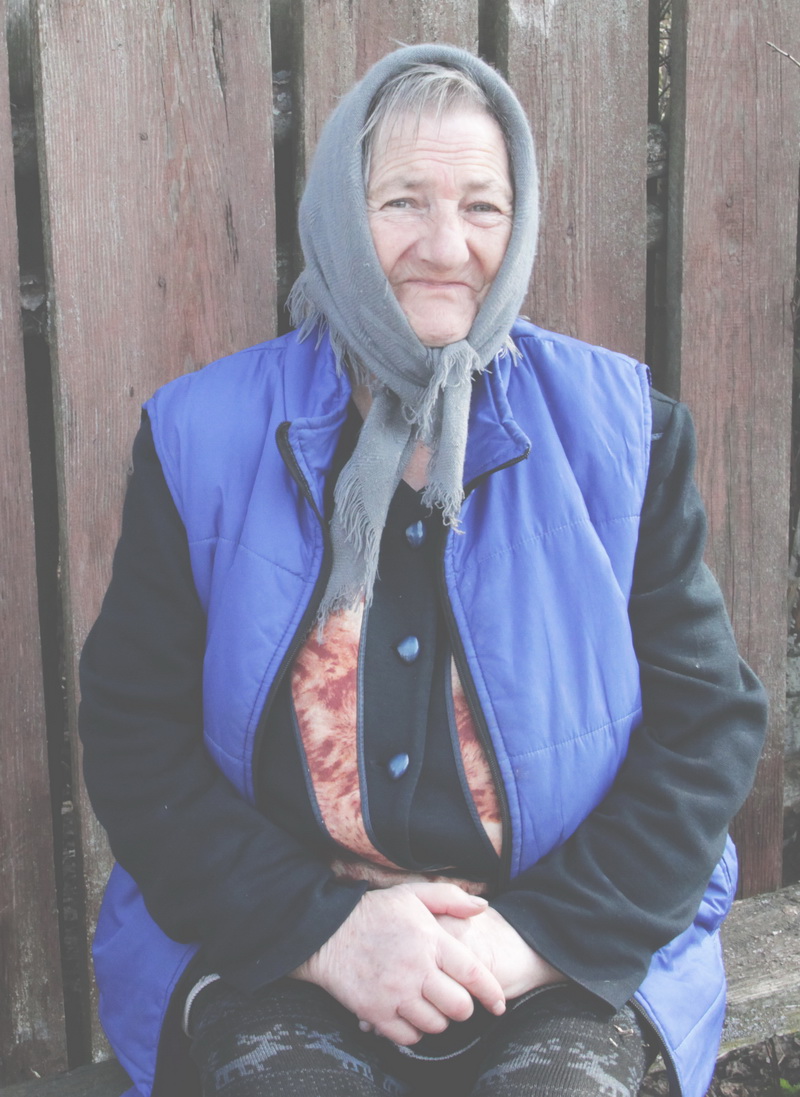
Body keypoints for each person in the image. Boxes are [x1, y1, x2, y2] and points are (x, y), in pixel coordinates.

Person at [79, 43, 767, 1097]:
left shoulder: (624, 437)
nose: (446, 246)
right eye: (403, 201)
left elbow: (704, 730)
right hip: (277, 946)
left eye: (482, 207)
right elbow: (136, 737)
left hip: (560, 948)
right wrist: (327, 934)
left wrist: (524, 941)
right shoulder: (199, 439)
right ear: (338, 216)